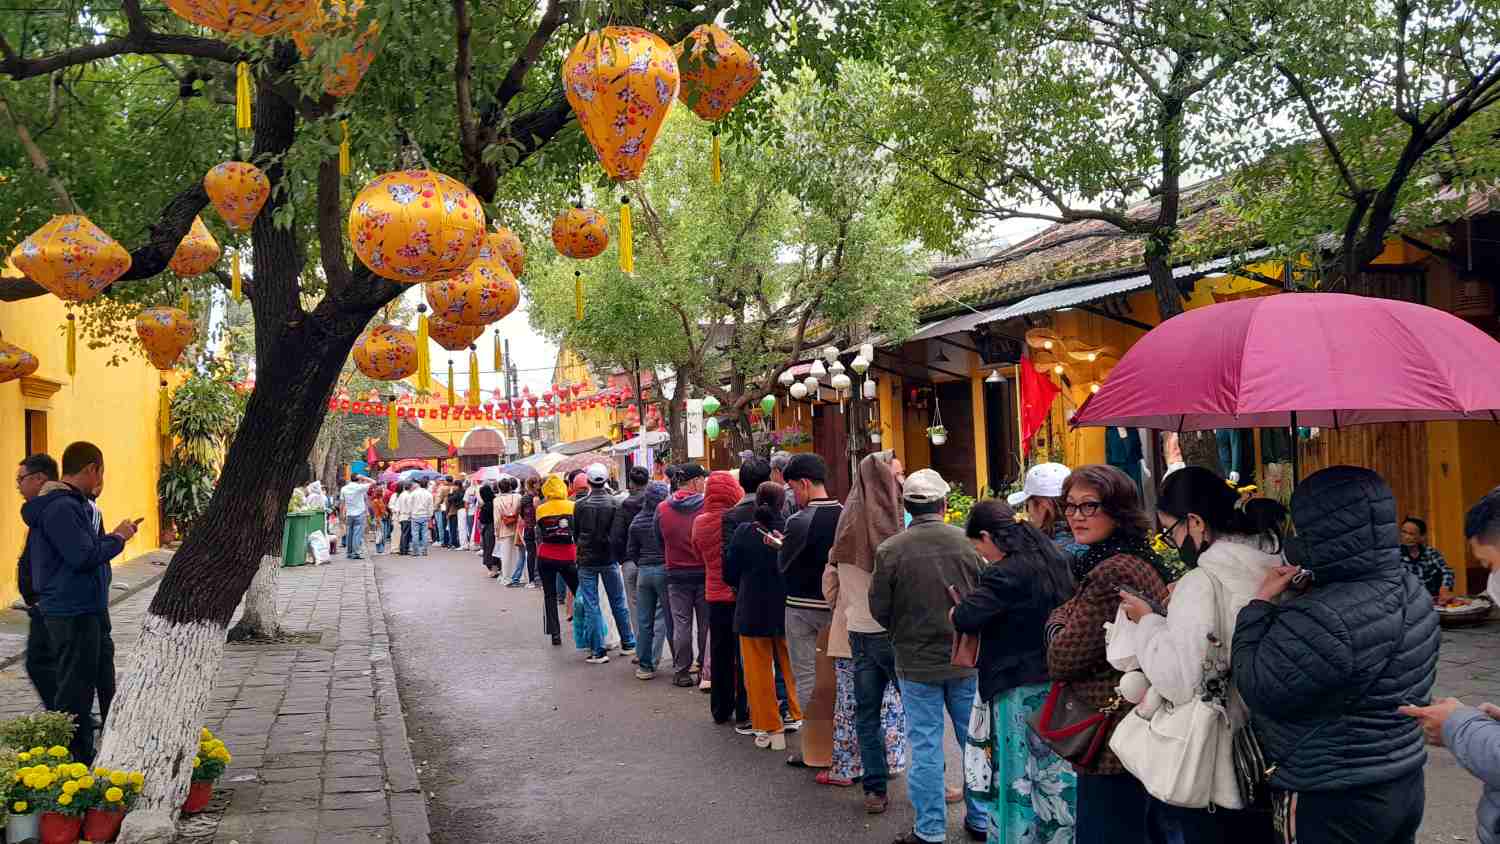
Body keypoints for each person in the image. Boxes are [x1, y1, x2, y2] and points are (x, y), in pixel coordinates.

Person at [1233, 466, 1439, 844]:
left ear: (1319, 528)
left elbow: (1258, 684)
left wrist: (1258, 605)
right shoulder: (1412, 589)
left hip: (1331, 796)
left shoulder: (1321, 616)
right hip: (1403, 777)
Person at [1110, 466, 1285, 842]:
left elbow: (1177, 681)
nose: (1171, 543)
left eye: (1170, 532)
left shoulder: (1201, 583)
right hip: (1267, 746)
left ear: (1195, 522)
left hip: (1215, 759)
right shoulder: (1274, 569)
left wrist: (1148, 622)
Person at [1044, 464, 1170, 844]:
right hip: (1130, 725)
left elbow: (1062, 658)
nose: (1076, 516)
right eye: (1070, 506)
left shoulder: (1111, 570)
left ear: (1117, 509)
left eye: (1089, 506)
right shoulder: (1128, 558)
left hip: (1112, 732)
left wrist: (1056, 618)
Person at [870, 468, 988, 843]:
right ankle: (981, 819)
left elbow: (880, 609)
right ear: (945, 504)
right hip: (966, 659)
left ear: (906, 506)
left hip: (914, 660)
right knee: (975, 740)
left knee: (924, 744)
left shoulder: (891, 550)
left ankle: (931, 829)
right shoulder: (968, 545)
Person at [956, 499, 1076, 843]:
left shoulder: (1005, 572)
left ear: (986, 537)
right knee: (1055, 769)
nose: (981, 554)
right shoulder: (1056, 556)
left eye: (978, 546)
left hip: (1016, 685)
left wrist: (956, 612)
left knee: (1018, 771)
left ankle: (1018, 836)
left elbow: (967, 617)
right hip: (1057, 682)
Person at [23, 442, 137, 764]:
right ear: (92, 469)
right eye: (101, 472)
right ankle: (74, 760)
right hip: (71, 611)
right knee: (76, 691)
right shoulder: (62, 508)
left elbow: (83, 549)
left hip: (89, 608)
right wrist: (118, 539)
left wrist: (111, 538)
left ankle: (111, 745)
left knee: (102, 678)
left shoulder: (78, 505)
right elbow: (82, 556)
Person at [827, 451, 909, 808]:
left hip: (858, 630)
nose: (902, 481)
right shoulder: (897, 527)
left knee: (866, 713)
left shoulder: (845, 526)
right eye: (897, 475)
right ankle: (935, 786)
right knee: (921, 715)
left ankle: (875, 790)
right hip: (894, 635)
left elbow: (833, 579)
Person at [725, 481, 802, 750]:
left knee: (758, 673)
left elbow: (729, 572)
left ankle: (770, 728)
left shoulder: (745, 532)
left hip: (752, 608)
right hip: (786, 607)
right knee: (792, 666)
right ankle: (797, 714)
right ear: (783, 503)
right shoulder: (793, 528)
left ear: (758, 502)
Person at [778, 454, 842, 739]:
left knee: (806, 677)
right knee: (840, 677)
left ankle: (816, 744)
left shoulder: (798, 521)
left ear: (804, 483)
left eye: (792, 487)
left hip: (801, 606)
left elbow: (784, 565)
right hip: (836, 606)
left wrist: (778, 546)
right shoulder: (845, 515)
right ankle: (842, 742)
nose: (793, 495)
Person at [694, 470, 749, 724]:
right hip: (738, 594)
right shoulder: (737, 519)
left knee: (719, 651)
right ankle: (743, 706)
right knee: (743, 654)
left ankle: (720, 707)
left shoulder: (700, 522)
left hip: (714, 594)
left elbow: (697, 554)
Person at [720, 457, 772, 729]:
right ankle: (783, 711)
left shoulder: (731, 517)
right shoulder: (783, 512)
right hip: (779, 594)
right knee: (780, 657)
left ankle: (747, 712)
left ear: (741, 484)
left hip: (746, 595)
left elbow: (728, 563)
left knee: (749, 661)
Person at [573, 463, 636, 664]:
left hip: (587, 560)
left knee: (592, 605)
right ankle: (628, 643)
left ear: (589, 482)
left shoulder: (580, 505)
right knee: (618, 601)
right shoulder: (615, 503)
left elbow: (576, 533)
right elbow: (618, 534)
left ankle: (598, 651)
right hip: (609, 558)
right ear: (606, 480)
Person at [16, 453, 60, 709]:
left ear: (40, 478)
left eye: (21, 479)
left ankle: (69, 720)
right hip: (42, 603)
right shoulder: (42, 510)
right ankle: (71, 719)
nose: (18, 487)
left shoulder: (51, 509)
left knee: (40, 662)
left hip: (50, 603)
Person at [660, 463, 709, 687]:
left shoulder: (662, 508)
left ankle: (681, 671)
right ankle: (703, 670)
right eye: (703, 479)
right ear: (694, 481)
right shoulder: (705, 506)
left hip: (676, 574)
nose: (705, 484)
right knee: (705, 624)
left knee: (682, 624)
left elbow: (658, 536)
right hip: (702, 571)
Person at [627, 481, 673, 680]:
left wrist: (642, 564)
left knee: (644, 621)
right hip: (664, 570)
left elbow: (631, 551)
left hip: (644, 572)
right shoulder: (665, 518)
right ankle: (680, 663)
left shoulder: (636, 521)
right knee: (671, 619)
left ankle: (645, 666)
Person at [535, 474, 580, 646]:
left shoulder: (541, 509)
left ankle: (555, 634)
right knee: (579, 592)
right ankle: (585, 627)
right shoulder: (572, 506)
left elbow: (539, 533)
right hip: (569, 554)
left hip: (546, 555)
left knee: (549, 595)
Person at [1008, 462, 1085, 559]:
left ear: (1042, 506)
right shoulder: (1091, 540)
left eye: (1027, 505)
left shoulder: (1040, 553)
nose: (1028, 512)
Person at [612, 466, 653, 628]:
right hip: (653, 561)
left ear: (631, 483)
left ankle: (641, 647)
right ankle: (655, 646)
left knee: (635, 606)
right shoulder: (657, 503)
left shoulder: (624, 506)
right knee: (656, 607)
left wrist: (622, 559)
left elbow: (616, 537)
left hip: (630, 562)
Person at [1400, 516, 1455, 603]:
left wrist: (1444, 588)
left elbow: (1447, 571)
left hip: (1431, 602)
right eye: (1404, 532)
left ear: (1422, 536)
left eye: (1411, 534)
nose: (1406, 537)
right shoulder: (1393, 556)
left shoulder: (1431, 553)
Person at [494, 478, 523, 585]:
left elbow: (497, 519)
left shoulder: (496, 500)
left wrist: (496, 532)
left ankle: (506, 577)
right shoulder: (518, 497)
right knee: (517, 553)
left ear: (499, 488)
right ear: (510, 487)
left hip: (503, 529)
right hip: (517, 528)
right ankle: (518, 576)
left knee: (505, 555)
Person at [339, 474, 374, 560]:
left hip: (349, 513)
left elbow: (342, 503)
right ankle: (356, 552)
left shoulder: (344, 489)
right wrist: (364, 477)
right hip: (359, 513)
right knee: (357, 534)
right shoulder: (360, 487)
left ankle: (349, 552)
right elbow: (374, 482)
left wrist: (341, 514)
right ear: (358, 479)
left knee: (349, 533)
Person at [408, 479, 435, 556]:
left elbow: (410, 504)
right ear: (426, 485)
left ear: (419, 484)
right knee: (425, 534)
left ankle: (415, 551)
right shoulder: (429, 494)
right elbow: (430, 506)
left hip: (415, 515)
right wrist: (430, 515)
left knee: (415, 534)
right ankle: (424, 551)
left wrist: (410, 514)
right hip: (425, 515)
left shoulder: (414, 493)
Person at [478, 483, 498, 576]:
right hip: (493, 527)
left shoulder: (487, 505)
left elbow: (482, 518)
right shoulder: (495, 502)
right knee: (492, 547)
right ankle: (496, 567)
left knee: (489, 548)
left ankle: (493, 568)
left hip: (489, 527)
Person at [368, 483, 389, 555]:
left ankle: (380, 550)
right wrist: (385, 513)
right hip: (379, 519)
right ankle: (380, 550)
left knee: (380, 534)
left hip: (379, 519)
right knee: (381, 535)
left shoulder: (378, 500)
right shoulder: (377, 501)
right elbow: (377, 512)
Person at [395, 482, 413, 556]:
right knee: (406, 534)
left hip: (402, 516)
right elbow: (409, 506)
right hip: (407, 516)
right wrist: (411, 513)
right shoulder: (407, 496)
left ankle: (403, 549)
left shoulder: (401, 495)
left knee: (403, 533)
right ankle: (404, 549)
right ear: (410, 488)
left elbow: (397, 507)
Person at [446, 480, 465, 550]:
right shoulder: (463, 491)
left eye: (454, 485)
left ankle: (454, 543)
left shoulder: (457, 492)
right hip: (459, 511)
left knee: (453, 528)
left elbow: (449, 499)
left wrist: (450, 493)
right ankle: (455, 542)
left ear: (457, 486)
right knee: (458, 528)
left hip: (455, 512)